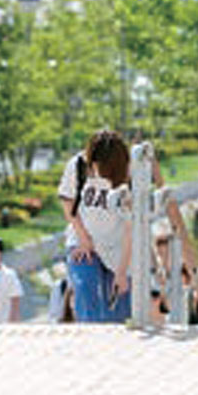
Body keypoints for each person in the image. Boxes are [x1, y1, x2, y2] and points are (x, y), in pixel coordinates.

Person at [57, 130, 135, 323]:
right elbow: (68, 203)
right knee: (85, 288)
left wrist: (122, 271)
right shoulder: (77, 166)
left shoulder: (130, 174)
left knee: (118, 311)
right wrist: (83, 238)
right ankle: (88, 344)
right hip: (83, 241)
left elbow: (130, 227)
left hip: (117, 246)